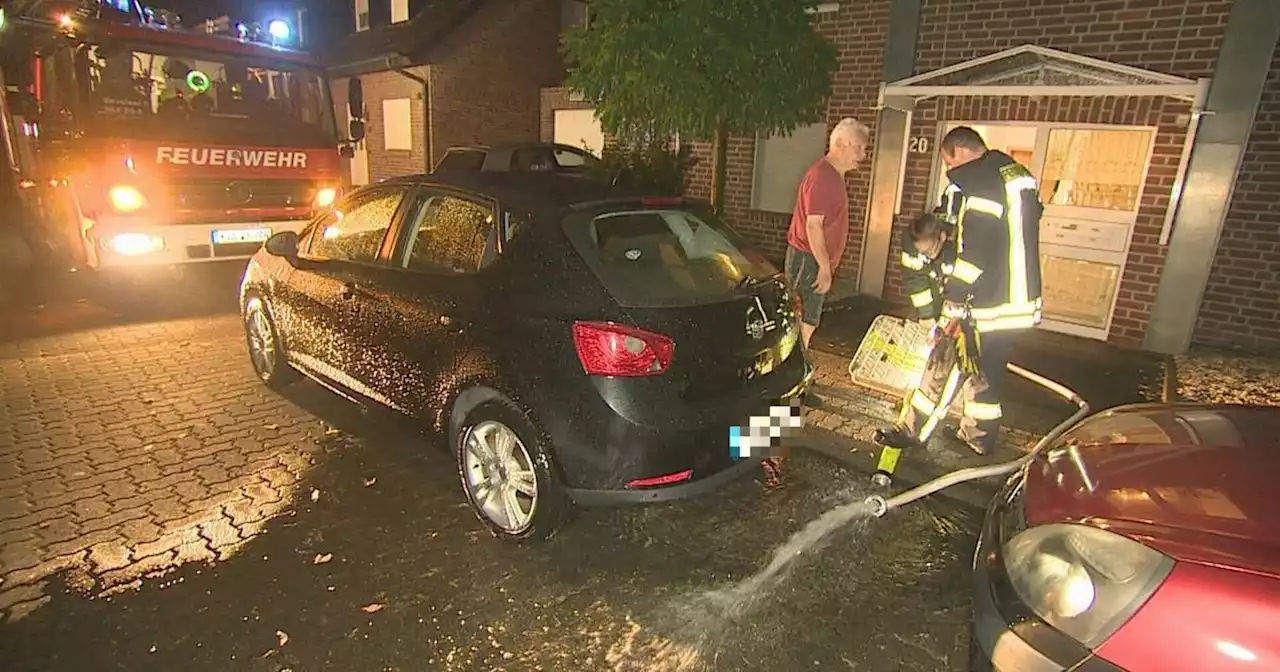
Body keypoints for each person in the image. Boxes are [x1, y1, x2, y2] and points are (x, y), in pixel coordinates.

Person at [870, 126, 1044, 488]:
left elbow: (977, 249)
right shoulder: (1012, 174)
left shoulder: (979, 184)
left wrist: (951, 297)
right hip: (1014, 297)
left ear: (958, 153)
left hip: (987, 300)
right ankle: (978, 438)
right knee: (984, 372)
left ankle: (913, 430)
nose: (950, 172)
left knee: (942, 362)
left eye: (948, 163)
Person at [763, 117, 869, 491]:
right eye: (859, 146)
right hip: (809, 259)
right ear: (840, 143)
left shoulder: (830, 175)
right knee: (802, 323)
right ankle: (781, 406)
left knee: (806, 323)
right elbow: (813, 226)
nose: (863, 154)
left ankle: (794, 387)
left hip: (810, 258)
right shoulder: (825, 176)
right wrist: (824, 267)